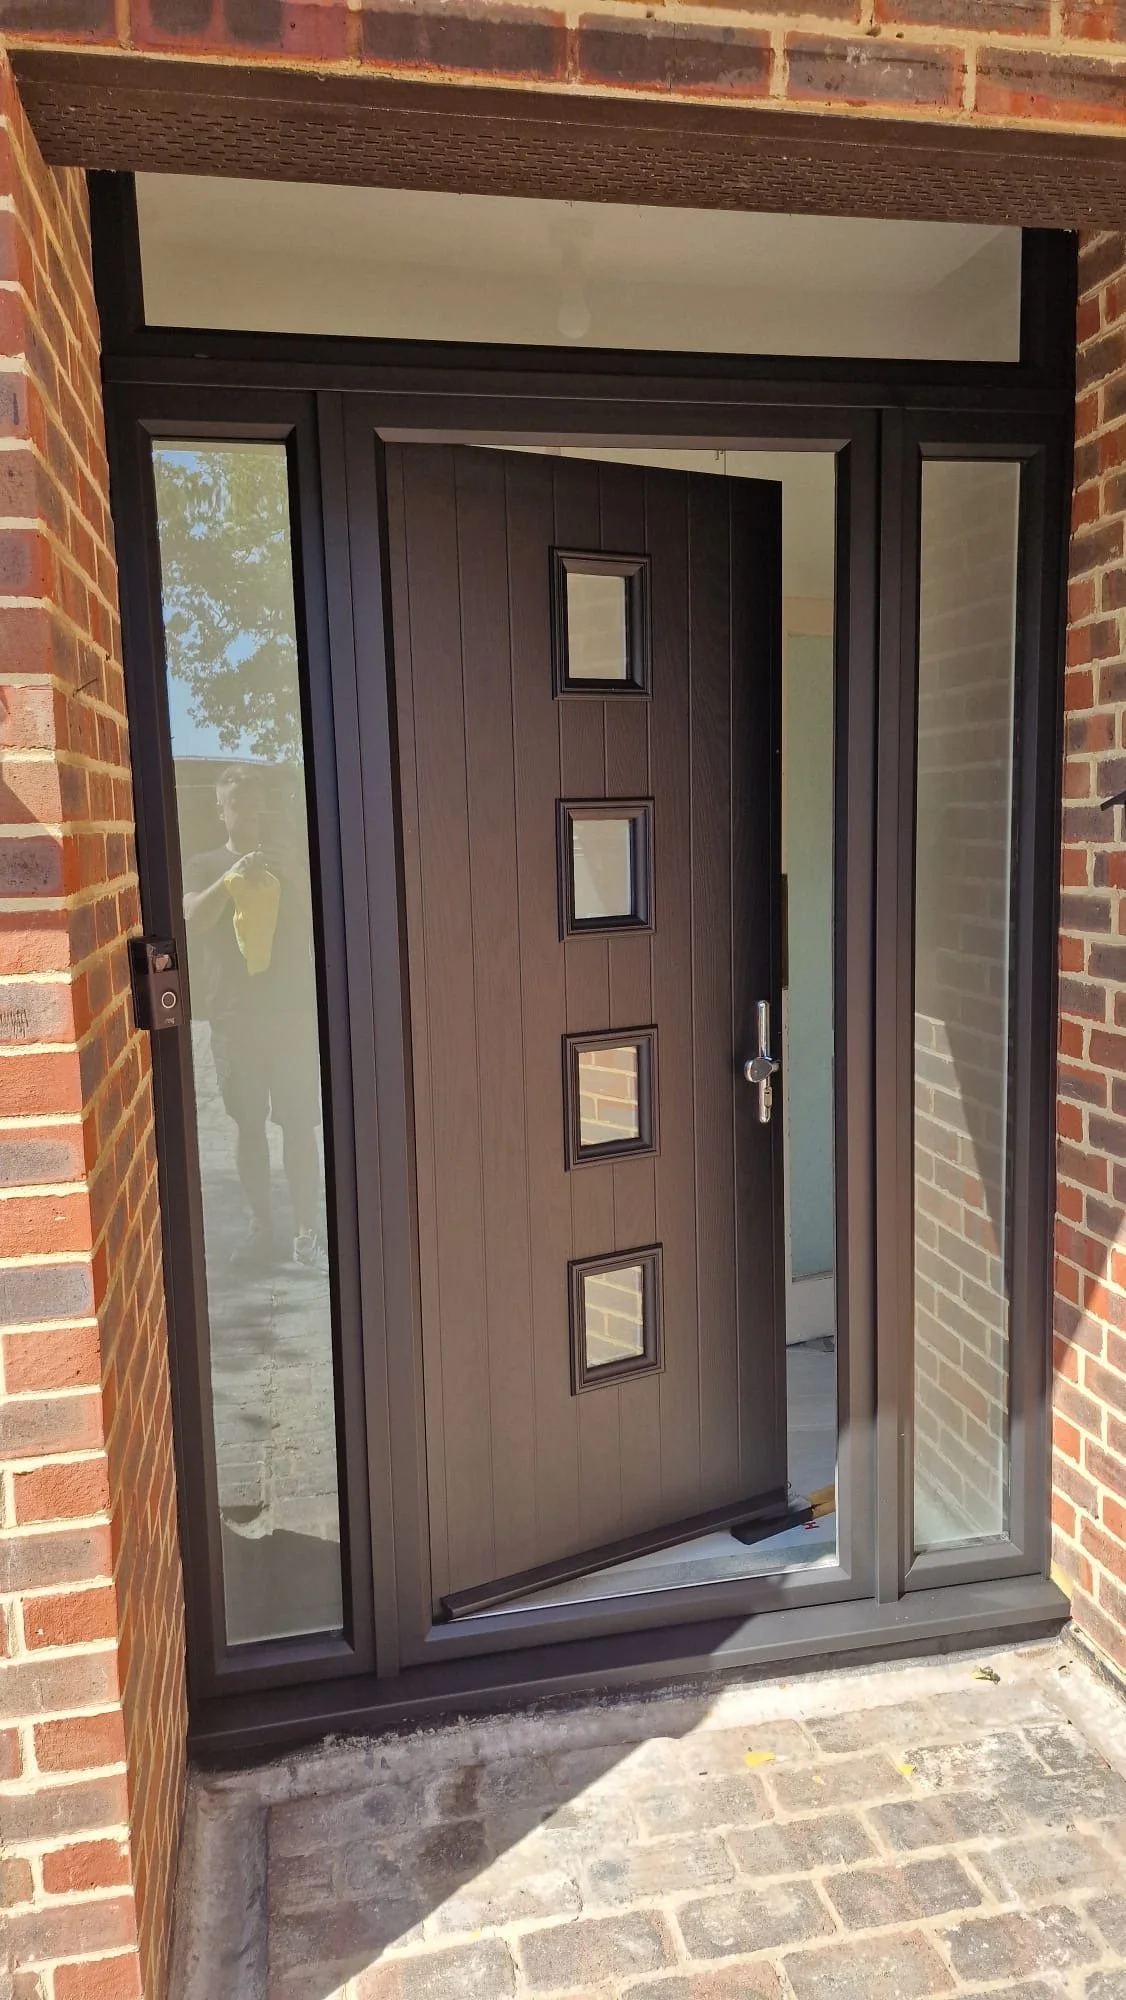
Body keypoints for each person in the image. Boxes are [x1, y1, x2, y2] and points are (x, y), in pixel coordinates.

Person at [183, 764, 327, 1271]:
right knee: (248, 1125)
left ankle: (307, 1226)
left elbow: (322, 914)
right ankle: (262, 1224)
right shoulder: (204, 866)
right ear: (220, 810)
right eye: (238, 802)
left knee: (298, 1124)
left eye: (256, 802)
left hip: (289, 1014)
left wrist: (289, 872)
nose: (249, 811)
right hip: (234, 1018)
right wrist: (230, 878)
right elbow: (193, 920)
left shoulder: (287, 859)